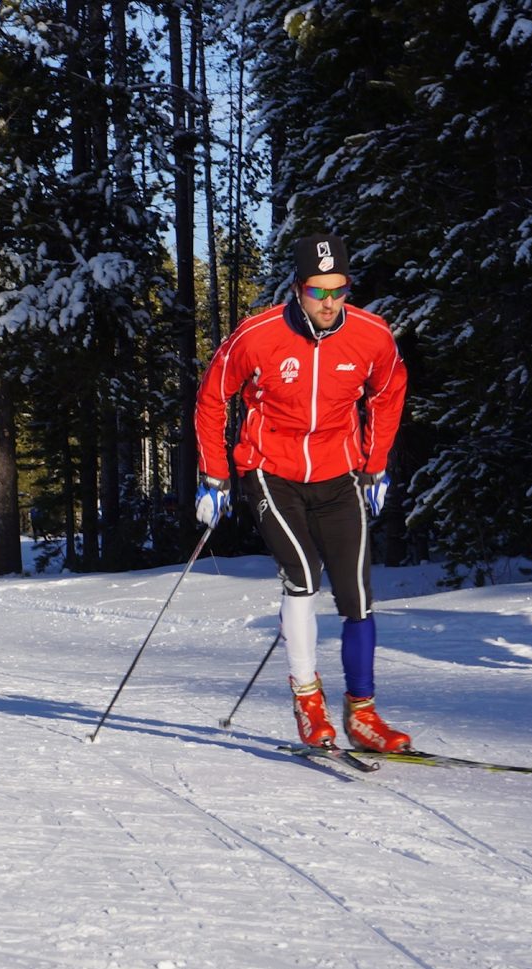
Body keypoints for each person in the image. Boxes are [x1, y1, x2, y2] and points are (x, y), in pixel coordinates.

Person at [193, 233, 410, 753]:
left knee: (357, 597)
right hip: (273, 470)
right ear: (298, 289)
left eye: (340, 289)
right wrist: (215, 475)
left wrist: (376, 467)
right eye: (319, 291)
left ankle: (362, 714)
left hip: (340, 473)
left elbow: (388, 392)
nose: (331, 302)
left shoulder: (372, 336)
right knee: (304, 577)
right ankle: (307, 699)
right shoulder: (258, 335)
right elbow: (213, 396)